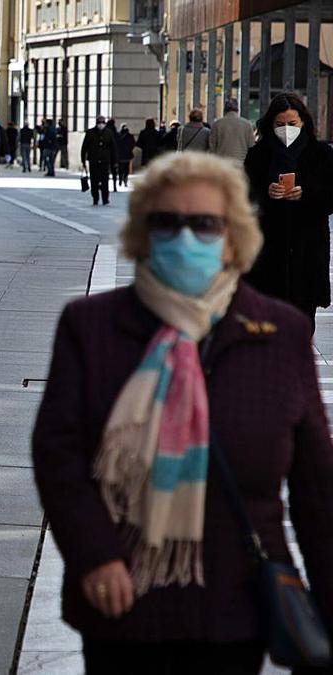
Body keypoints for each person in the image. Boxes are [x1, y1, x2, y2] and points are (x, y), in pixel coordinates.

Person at [32, 150, 333, 675]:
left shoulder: (280, 334)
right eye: (166, 222)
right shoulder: (92, 326)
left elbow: (317, 490)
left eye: (205, 224)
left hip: (238, 606)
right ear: (142, 234)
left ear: (235, 235)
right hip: (122, 600)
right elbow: (59, 454)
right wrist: (94, 554)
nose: (185, 237)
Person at [243, 92, 333, 330]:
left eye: (292, 124)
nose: (286, 129)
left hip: (307, 250)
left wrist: (306, 195)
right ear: (270, 124)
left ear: (303, 122)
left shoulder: (321, 155)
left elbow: (330, 197)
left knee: (302, 322)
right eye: (280, 124)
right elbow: (245, 198)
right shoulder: (258, 156)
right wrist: (266, 193)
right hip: (267, 252)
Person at [209, 98, 256, 167]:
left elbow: (212, 147)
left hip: (222, 164)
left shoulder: (217, 124)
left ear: (224, 110)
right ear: (237, 109)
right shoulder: (247, 124)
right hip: (241, 163)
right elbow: (251, 146)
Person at [81, 115, 116, 205]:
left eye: (102, 122)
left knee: (105, 180)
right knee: (94, 180)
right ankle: (95, 198)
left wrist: (114, 161)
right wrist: (83, 161)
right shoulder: (90, 133)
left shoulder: (109, 133)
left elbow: (113, 148)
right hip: (93, 160)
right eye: (99, 122)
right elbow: (84, 147)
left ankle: (105, 198)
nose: (101, 124)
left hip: (105, 160)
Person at [105, 119, 120, 192]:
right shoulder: (114, 132)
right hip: (113, 154)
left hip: (105, 154)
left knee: (105, 171)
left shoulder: (105, 132)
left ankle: (104, 185)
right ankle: (114, 185)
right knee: (114, 171)